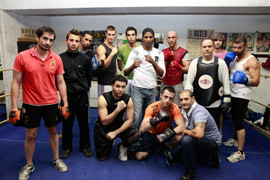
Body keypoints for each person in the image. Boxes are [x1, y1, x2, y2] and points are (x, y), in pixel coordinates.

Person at [10, 26, 68, 180]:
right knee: (30, 135)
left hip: (51, 103)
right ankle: (29, 164)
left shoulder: (56, 59)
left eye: (51, 40)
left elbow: (61, 82)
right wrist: (14, 107)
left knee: (54, 132)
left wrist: (65, 103)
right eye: (45, 38)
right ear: (37, 38)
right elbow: (16, 82)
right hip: (31, 104)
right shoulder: (22, 57)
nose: (48, 42)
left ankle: (56, 159)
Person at [224, 35, 260, 163]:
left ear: (245, 46)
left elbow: (256, 81)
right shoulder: (233, 57)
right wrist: (227, 63)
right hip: (232, 93)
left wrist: (245, 79)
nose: (236, 50)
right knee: (234, 118)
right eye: (234, 47)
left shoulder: (251, 61)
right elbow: (230, 73)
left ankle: (241, 152)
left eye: (239, 47)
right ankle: (235, 138)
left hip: (242, 95)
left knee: (239, 122)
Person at [59, 29, 93, 159]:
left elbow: (89, 77)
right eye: (71, 40)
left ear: (80, 43)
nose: (74, 43)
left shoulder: (85, 59)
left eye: (77, 41)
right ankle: (66, 148)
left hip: (82, 96)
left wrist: (82, 88)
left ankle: (85, 146)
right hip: (66, 97)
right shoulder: (60, 58)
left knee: (84, 123)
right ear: (66, 41)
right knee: (67, 123)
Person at [124, 27, 166, 129]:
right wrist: (133, 66)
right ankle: (134, 141)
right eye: (146, 37)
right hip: (138, 89)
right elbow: (125, 72)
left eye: (150, 37)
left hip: (152, 90)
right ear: (142, 38)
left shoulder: (159, 53)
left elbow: (162, 74)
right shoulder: (135, 52)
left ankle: (146, 141)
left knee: (150, 118)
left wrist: (153, 62)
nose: (148, 39)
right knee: (137, 117)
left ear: (153, 39)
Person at [185, 38, 231, 129]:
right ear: (201, 49)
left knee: (213, 127)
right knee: (196, 127)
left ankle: (216, 139)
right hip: (197, 103)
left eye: (209, 46)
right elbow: (189, 83)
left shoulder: (221, 63)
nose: (207, 49)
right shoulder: (194, 63)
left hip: (215, 103)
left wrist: (227, 100)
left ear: (213, 48)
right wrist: (187, 100)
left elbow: (226, 83)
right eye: (204, 47)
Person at [178, 90, 221, 180]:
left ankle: (190, 174)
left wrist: (185, 131)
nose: (183, 102)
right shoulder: (183, 110)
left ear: (193, 99)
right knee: (179, 158)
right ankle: (212, 156)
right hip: (199, 140)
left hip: (212, 142)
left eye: (186, 99)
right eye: (181, 100)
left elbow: (198, 134)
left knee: (186, 140)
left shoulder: (199, 112)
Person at [135, 86, 185, 164]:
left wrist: (167, 134)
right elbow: (143, 129)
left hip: (166, 132)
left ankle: (168, 148)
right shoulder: (152, 107)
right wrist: (157, 119)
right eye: (166, 97)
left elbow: (182, 126)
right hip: (152, 133)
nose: (167, 100)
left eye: (170, 98)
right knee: (139, 156)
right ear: (161, 95)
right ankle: (157, 145)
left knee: (180, 136)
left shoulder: (174, 107)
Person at [94, 75, 139, 161]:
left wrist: (115, 132)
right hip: (104, 127)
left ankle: (123, 146)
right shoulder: (103, 98)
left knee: (135, 134)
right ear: (112, 86)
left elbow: (130, 121)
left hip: (118, 124)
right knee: (101, 158)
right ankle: (109, 142)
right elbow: (104, 122)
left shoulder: (128, 99)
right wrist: (117, 109)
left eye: (123, 87)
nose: (120, 89)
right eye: (117, 86)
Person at [161, 31, 191, 107]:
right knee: (163, 105)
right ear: (166, 39)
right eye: (169, 38)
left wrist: (178, 66)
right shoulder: (162, 52)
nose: (171, 40)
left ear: (176, 38)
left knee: (177, 106)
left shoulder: (184, 52)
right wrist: (166, 59)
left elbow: (188, 70)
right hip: (165, 82)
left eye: (173, 37)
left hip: (178, 83)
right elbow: (160, 70)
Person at [213, 33, 229, 137]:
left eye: (220, 40)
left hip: (221, 85)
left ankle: (219, 131)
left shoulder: (226, 54)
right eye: (216, 40)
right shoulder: (209, 52)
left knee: (220, 110)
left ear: (222, 42)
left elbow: (229, 71)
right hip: (210, 84)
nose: (218, 42)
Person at [117, 27, 140, 96]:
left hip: (136, 79)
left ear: (136, 36)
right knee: (123, 100)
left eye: (133, 35)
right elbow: (120, 66)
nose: (131, 37)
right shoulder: (121, 49)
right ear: (126, 37)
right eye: (129, 35)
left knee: (135, 102)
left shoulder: (140, 48)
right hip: (124, 78)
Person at [96, 25, 118, 97]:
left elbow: (113, 65)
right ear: (106, 34)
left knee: (111, 106)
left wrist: (117, 79)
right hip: (104, 83)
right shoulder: (101, 48)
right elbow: (103, 66)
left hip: (112, 83)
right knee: (103, 105)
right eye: (109, 34)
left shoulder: (113, 48)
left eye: (113, 35)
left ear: (115, 35)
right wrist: (112, 54)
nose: (111, 37)